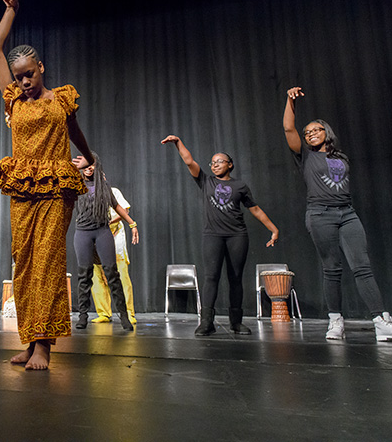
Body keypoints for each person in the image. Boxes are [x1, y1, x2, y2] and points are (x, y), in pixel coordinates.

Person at [0, 0, 95, 370]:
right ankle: (30, 339)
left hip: (55, 187)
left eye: (30, 74)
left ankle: (46, 345)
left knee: (48, 260)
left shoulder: (60, 98)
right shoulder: (13, 100)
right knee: (25, 261)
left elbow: (75, 132)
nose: (24, 82)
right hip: (23, 187)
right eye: (19, 77)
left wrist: (88, 156)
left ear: (41, 68)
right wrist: (11, 10)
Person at [283, 86, 392, 341]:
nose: (309, 134)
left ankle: (381, 320)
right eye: (307, 132)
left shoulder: (341, 156)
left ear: (326, 131)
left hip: (348, 214)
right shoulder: (305, 157)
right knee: (332, 268)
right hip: (320, 215)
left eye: (315, 130)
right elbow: (289, 128)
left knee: (362, 267)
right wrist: (290, 101)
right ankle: (335, 322)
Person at [161, 135, 279, 336]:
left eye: (219, 162)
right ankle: (207, 322)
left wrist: (273, 229)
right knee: (211, 277)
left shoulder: (240, 186)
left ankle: (236, 322)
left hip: (237, 235)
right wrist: (178, 142)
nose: (215, 165)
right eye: (212, 162)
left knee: (235, 278)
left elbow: (255, 209)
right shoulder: (206, 181)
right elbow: (189, 161)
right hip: (212, 235)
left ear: (230, 165)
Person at [72, 152, 138, 331]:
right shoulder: (76, 185)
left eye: (91, 165)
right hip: (83, 232)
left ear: (97, 166)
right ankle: (83, 316)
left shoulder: (104, 186)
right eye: (85, 166)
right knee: (84, 274)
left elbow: (117, 206)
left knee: (112, 273)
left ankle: (124, 316)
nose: (88, 169)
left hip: (102, 231)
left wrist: (132, 224)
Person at [90, 185, 137, 325]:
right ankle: (103, 312)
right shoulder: (87, 193)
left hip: (114, 236)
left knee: (120, 275)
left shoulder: (113, 191)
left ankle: (128, 312)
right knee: (96, 275)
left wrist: (109, 223)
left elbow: (125, 210)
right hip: (95, 236)